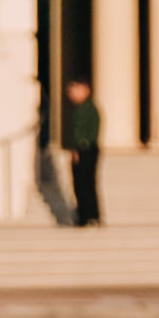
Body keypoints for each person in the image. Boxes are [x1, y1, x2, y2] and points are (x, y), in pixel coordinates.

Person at [61, 79, 102, 227]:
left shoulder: (86, 109)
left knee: (84, 184)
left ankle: (87, 216)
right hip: (86, 149)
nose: (71, 94)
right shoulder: (83, 108)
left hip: (85, 150)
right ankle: (89, 215)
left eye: (74, 90)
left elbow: (83, 134)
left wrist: (78, 149)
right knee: (84, 184)